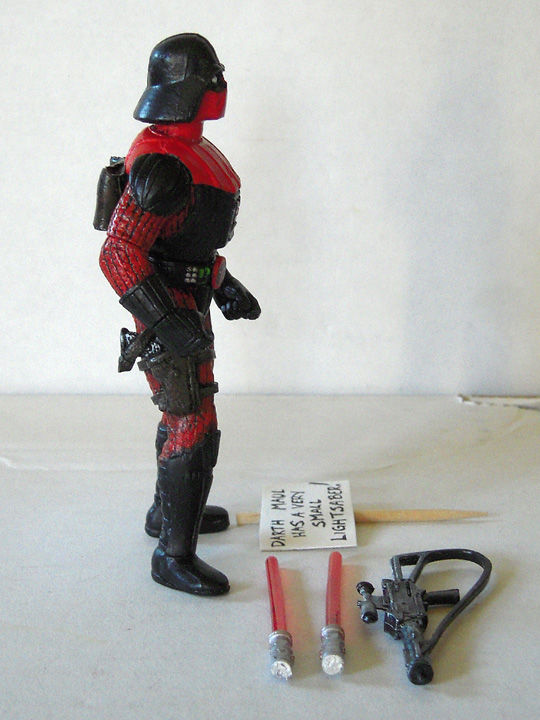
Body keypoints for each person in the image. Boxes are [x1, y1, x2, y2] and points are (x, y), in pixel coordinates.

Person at [95, 34, 260, 596]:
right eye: (212, 75)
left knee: (183, 414)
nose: (221, 84)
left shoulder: (189, 150)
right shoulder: (162, 165)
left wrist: (224, 284)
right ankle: (173, 556)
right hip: (168, 313)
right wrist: (166, 322)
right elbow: (120, 254)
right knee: (193, 424)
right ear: (188, 88)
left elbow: (185, 244)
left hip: (186, 303)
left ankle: (165, 512)